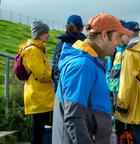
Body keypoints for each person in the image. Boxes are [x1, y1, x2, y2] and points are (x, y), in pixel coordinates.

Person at [52, 13, 133, 144]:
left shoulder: (92, 62)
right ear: (104, 35)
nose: (120, 42)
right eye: (118, 36)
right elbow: (74, 117)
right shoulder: (83, 65)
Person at [21, 21, 54, 144]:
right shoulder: (33, 51)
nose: (48, 35)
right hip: (38, 97)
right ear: (40, 34)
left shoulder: (39, 49)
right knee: (38, 134)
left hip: (42, 97)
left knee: (40, 132)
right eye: (46, 32)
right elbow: (41, 74)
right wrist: (54, 74)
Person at [51, 15, 86, 92]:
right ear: (81, 29)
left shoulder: (61, 44)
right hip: (80, 89)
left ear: (66, 27)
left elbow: (54, 69)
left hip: (62, 88)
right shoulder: (85, 46)